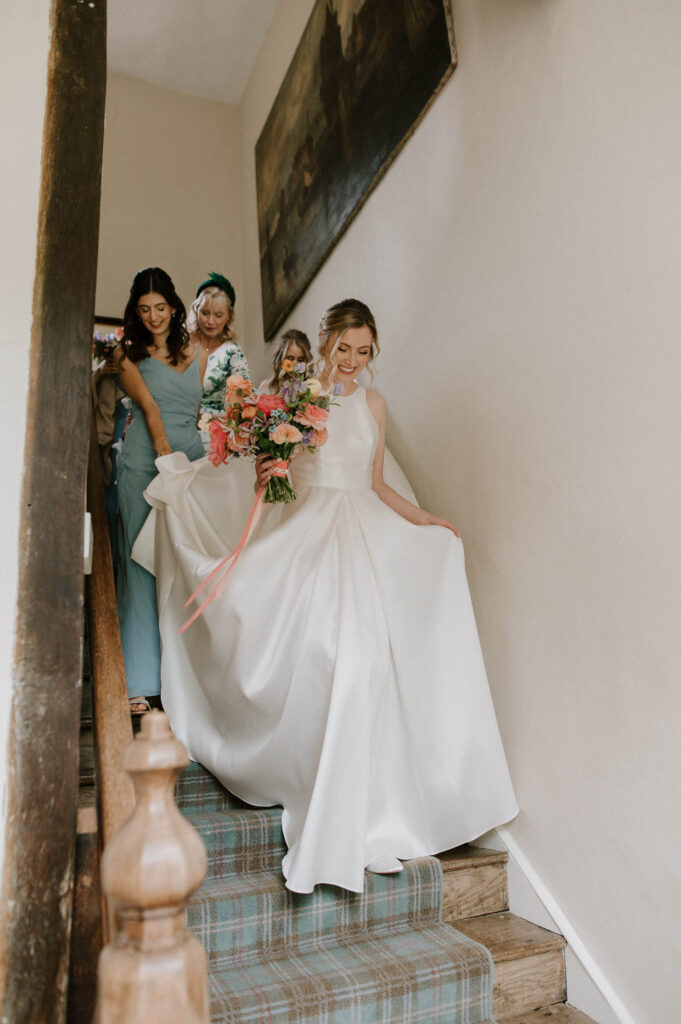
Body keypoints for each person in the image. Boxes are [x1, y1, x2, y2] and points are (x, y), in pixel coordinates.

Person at [134, 298, 518, 891]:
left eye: (364, 351)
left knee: (370, 665)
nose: (353, 360)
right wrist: (267, 472)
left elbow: (376, 484)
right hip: (310, 538)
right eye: (344, 348)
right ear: (325, 341)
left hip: (365, 537)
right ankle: (321, 794)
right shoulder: (297, 396)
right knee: (331, 660)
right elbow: (278, 476)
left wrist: (427, 521)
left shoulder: (374, 404)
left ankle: (373, 815)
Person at [114, 267, 207, 713]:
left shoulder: (196, 351)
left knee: (187, 564)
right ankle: (141, 681)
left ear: (174, 307)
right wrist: (166, 456)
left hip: (191, 462)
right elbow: (150, 408)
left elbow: (198, 410)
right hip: (145, 462)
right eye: (144, 309)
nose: (153, 317)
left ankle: (185, 679)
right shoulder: (125, 355)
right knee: (141, 565)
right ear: (136, 312)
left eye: (161, 307)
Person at [188, 272, 250, 419]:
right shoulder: (181, 343)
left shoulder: (232, 352)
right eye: (205, 313)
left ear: (228, 316)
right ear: (196, 310)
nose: (210, 321)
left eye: (218, 315)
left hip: (212, 425)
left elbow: (246, 397)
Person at [259, 328, 313, 393]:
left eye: (300, 360)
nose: (295, 364)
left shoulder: (311, 387)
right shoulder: (266, 387)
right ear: (280, 358)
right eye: (290, 358)